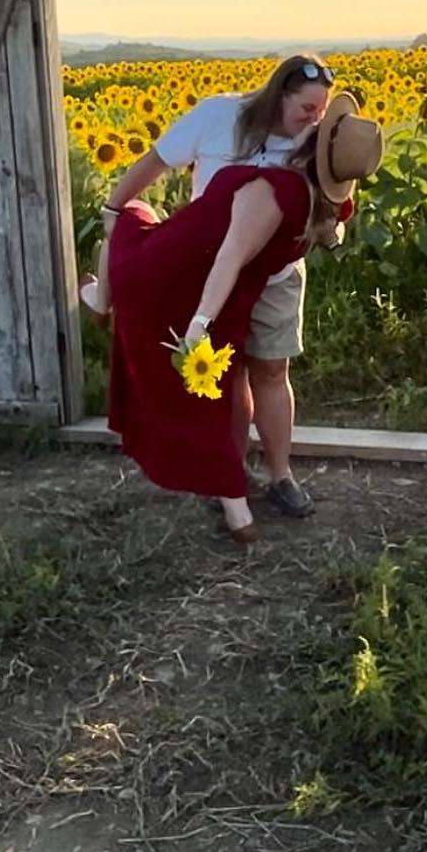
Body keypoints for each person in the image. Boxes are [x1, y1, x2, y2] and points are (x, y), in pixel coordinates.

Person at [99, 94, 384, 542]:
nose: (313, 118)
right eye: (309, 110)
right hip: (211, 278)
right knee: (225, 381)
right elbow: (228, 254)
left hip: (248, 281)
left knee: (265, 371)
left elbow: (248, 253)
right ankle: (231, 484)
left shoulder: (302, 184)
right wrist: (199, 323)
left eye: (320, 114)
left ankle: (273, 478)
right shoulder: (239, 139)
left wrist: (324, 227)